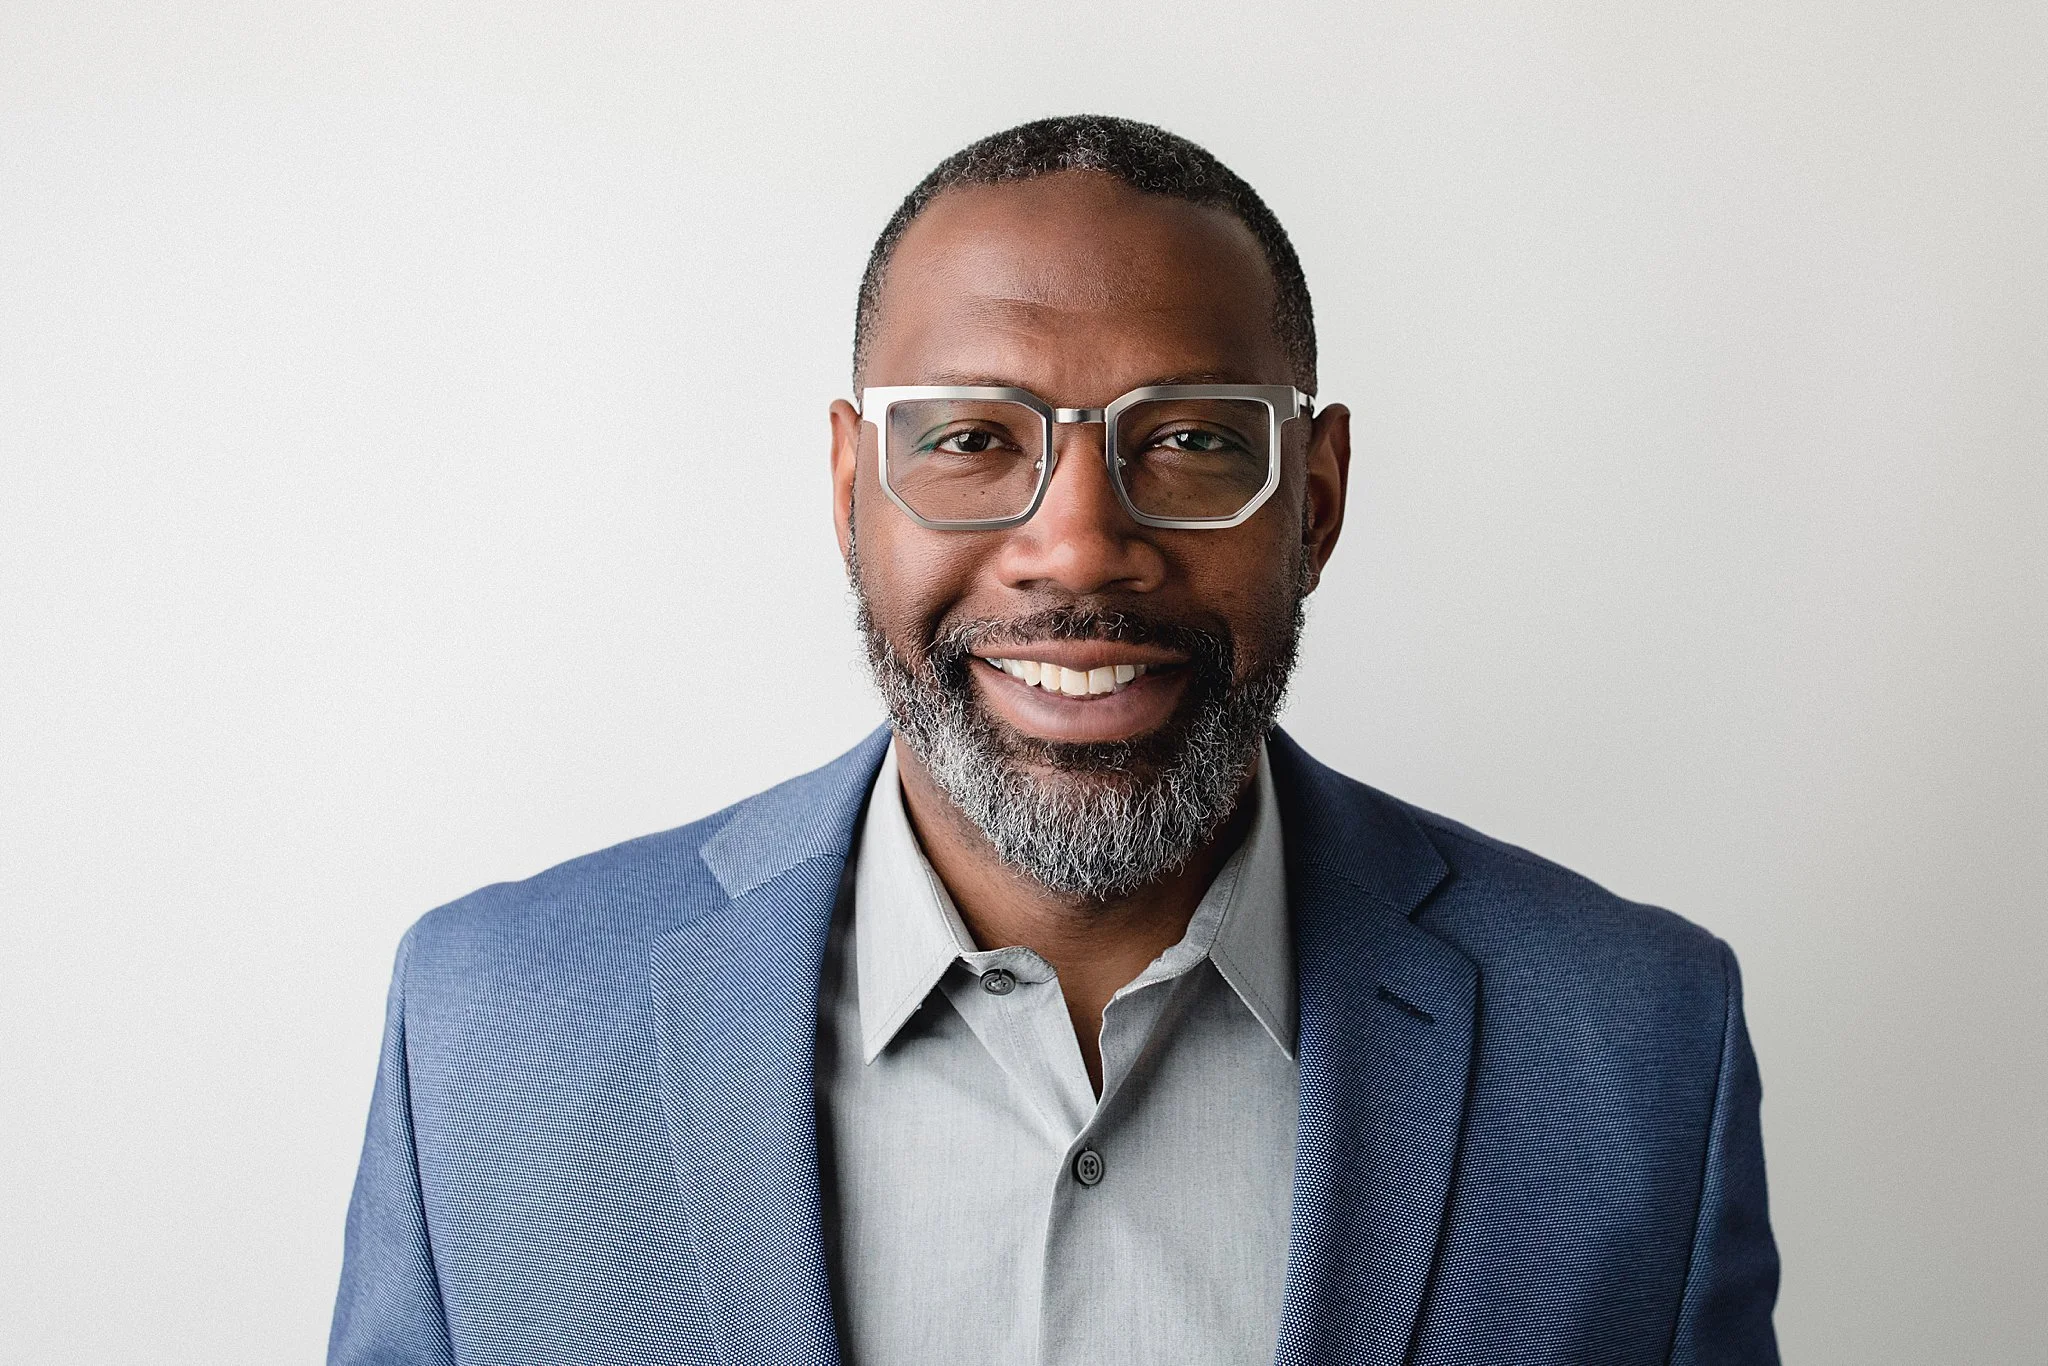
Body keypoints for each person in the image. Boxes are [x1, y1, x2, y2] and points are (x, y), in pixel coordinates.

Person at [329, 115, 1780, 1366]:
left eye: (1194, 441)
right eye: (971, 440)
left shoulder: (1633, 1046)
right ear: (851, 492)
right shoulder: (492, 1032)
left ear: (1318, 501)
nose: (1078, 544)